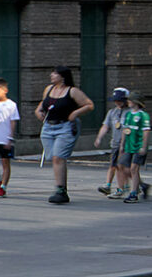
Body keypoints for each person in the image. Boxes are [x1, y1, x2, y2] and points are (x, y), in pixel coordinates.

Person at [34, 65, 95, 204]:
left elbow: (89, 105)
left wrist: (75, 113)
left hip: (66, 127)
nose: (51, 75)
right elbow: (43, 104)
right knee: (52, 157)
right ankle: (61, 187)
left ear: (62, 76)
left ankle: (60, 190)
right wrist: (38, 111)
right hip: (49, 127)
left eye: (55, 73)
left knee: (58, 157)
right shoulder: (48, 89)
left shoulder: (72, 91)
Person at [117, 90, 152, 202]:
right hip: (129, 146)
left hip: (138, 146)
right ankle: (142, 185)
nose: (128, 102)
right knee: (124, 168)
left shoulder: (143, 115)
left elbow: (146, 132)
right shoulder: (128, 115)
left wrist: (144, 146)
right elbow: (125, 130)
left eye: (130, 100)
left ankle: (133, 193)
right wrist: (122, 144)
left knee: (134, 169)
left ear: (135, 102)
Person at [92, 88, 128, 197]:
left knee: (124, 167)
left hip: (127, 144)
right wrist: (99, 138)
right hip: (115, 143)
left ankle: (127, 186)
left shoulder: (130, 113)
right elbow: (105, 126)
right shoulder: (112, 112)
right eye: (116, 100)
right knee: (114, 165)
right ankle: (108, 185)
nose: (118, 102)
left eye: (120, 100)